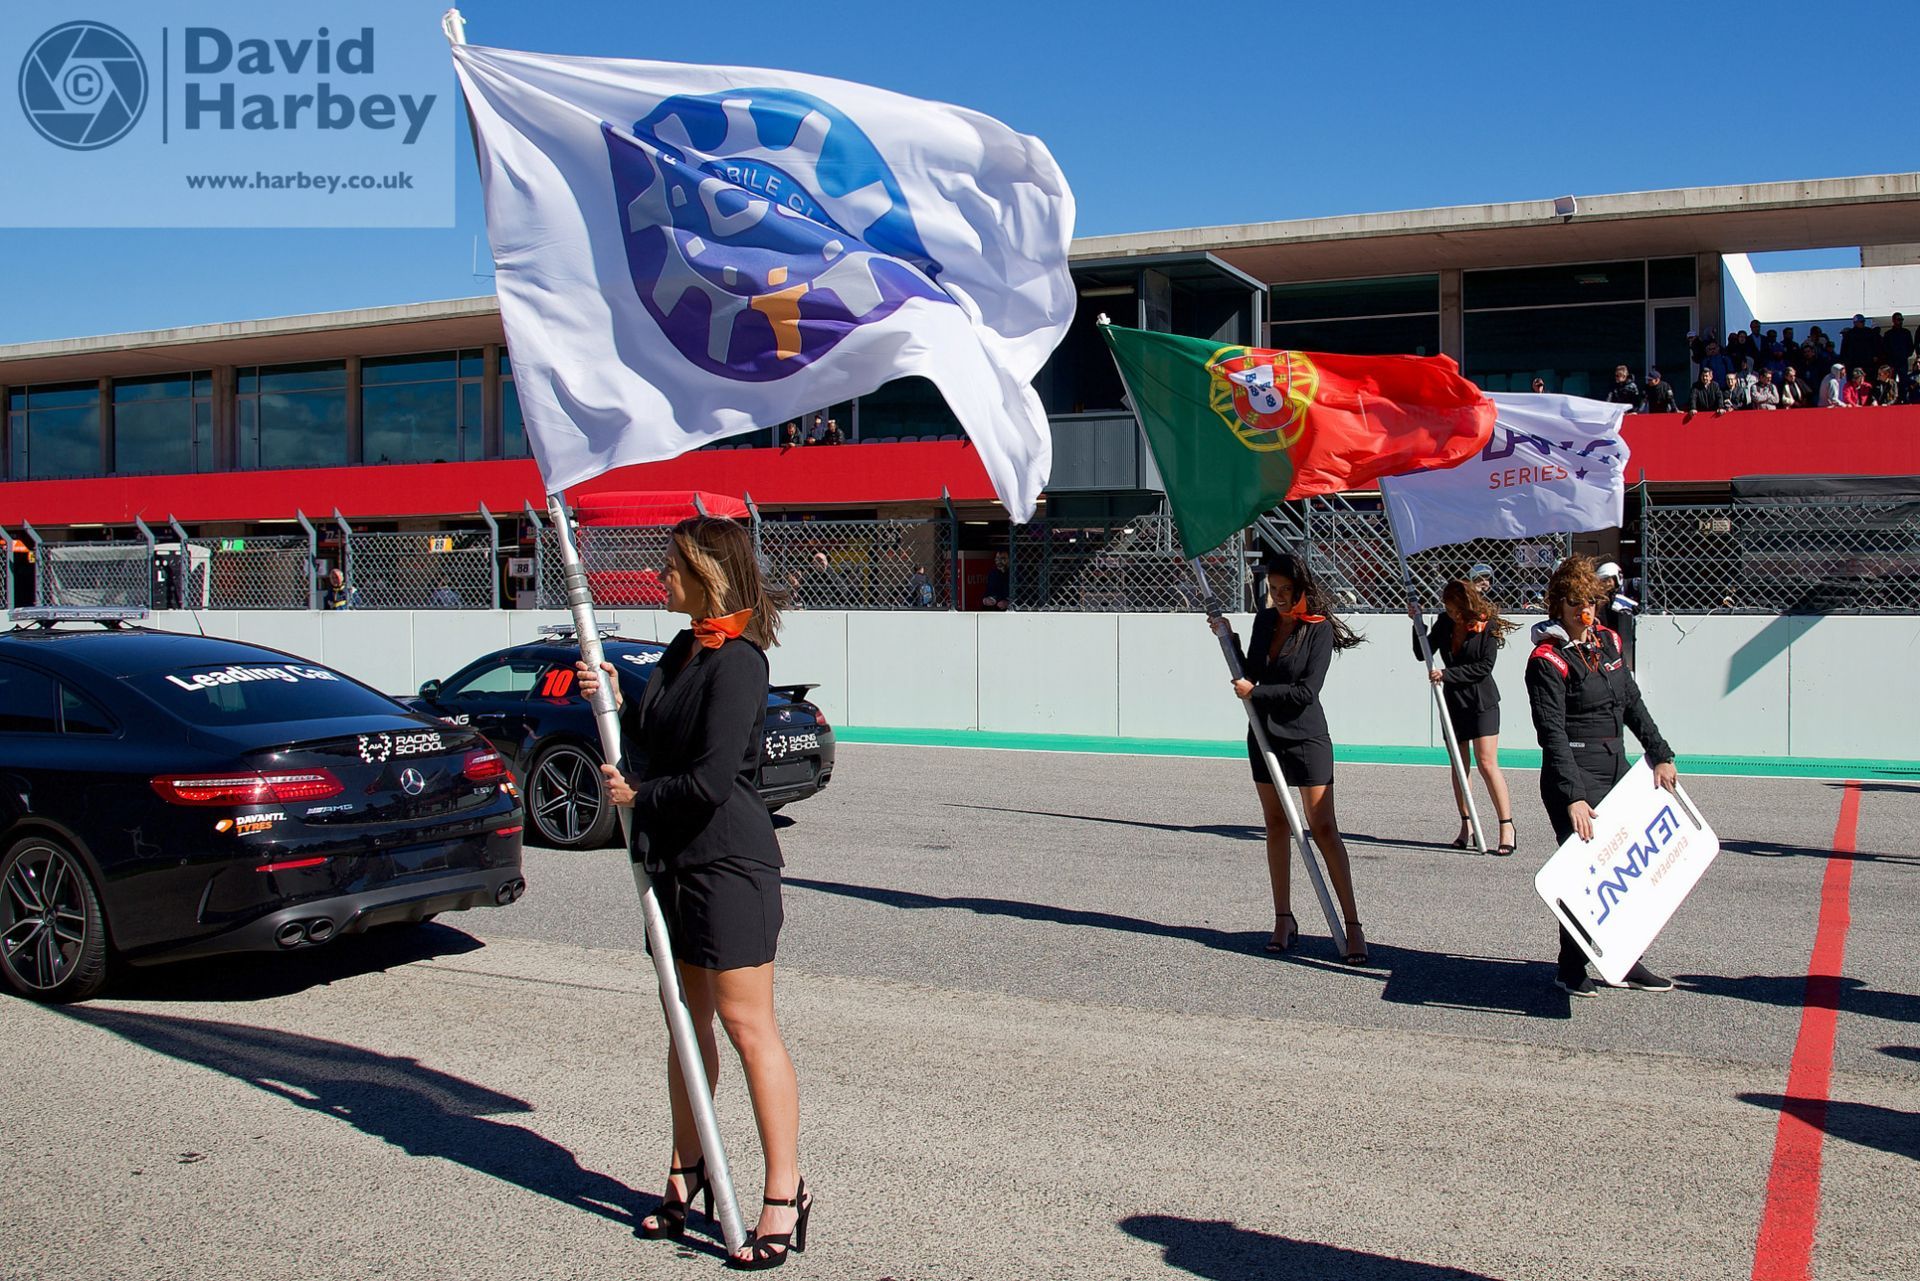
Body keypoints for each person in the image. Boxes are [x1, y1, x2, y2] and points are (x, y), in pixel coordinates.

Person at [575, 516, 812, 1270]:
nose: (660, 576)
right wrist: (614, 696)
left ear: (709, 571)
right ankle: (691, 1165)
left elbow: (711, 780)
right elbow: (655, 741)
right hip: (672, 862)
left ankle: (784, 1190)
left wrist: (638, 792)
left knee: (748, 1027)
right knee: (686, 1024)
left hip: (728, 865)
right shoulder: (682, 648)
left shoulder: (741, 661)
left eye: (671, 564)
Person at [1525, 554, 1680, 998]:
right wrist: (1573, 795)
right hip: (1573, 772)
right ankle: (1570, 966)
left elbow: (1632, 703)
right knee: (1585, 873)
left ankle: (1626, 958)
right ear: (1557, 605)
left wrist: (1661, 753)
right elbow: (1550, 733)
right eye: (1574, 601)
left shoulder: (1608, 641)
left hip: (1619, 769)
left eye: (1590, 600)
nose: (1583, 610)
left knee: (1627, 871)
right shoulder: (1547, 658)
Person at [1207, 552, 1368, 962]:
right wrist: (1228, 638)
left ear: (1301, 590)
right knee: (1275, 824)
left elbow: (1305, 692)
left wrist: (1255, 693)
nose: (1277, 597)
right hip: (1263, 733)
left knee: (1324, 828)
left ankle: (1352, 925)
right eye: (1271, 590)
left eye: (1284, 590)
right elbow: (1251, 671)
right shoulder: (1264, 621)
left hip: (1305, 736)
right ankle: (1283, 918)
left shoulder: (1319, 630)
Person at [1407, 580, 1518, 855]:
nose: (1453, 614)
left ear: (1467, 605)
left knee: (1486, 762)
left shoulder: (1487, 624)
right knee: (1459, 764)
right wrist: (1416, 624)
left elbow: (1484, 667)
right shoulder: (1445, 622)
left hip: (1482, 701)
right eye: (1449, 609)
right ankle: (1466, 825)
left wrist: (1448, 674)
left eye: (1457, 610)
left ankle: (1507, 826)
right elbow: (1422, 653)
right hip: (1453, 703)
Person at [1593, 560, 1638, 667]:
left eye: (1607, 580)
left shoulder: (1633, 586)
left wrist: (1631, 606)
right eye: (1602, 581)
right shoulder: (1603, 598)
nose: (1605, 585)